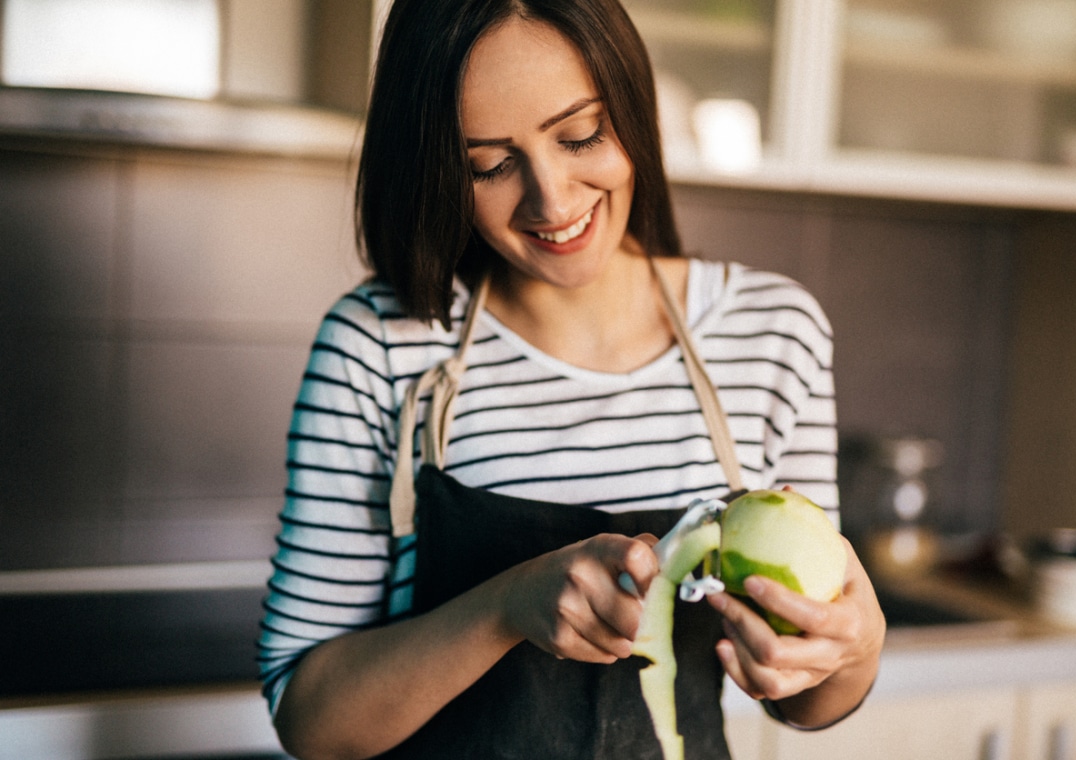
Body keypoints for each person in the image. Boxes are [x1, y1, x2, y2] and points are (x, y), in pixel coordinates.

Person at [257, 0, 885, 758]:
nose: (552, 201)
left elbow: (809, 699)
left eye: (580, 134)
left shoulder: (772, 335)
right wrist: (504, 608)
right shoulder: (381, 346)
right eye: (487, 164)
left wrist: (856, 647)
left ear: (632, 105)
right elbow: (310, 718)